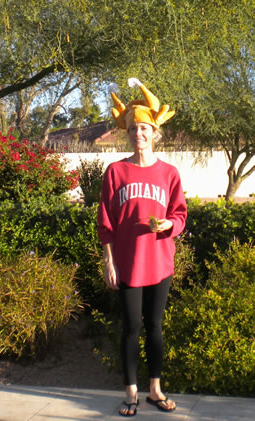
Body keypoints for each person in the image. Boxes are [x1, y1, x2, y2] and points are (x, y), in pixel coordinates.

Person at [97, 78, 187, 417]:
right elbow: (105, 222)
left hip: (160, 261)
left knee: (155, 327)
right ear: (128, 132)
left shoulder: (169, 173)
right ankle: (131, 393)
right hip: (128, 264)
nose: (140, 133)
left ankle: (155, 390)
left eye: (146, 128)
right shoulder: (115, 172)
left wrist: (169, 225)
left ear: (155, 132)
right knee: (131, 328)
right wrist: (109, 262)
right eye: (135, 128)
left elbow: (180, 214)